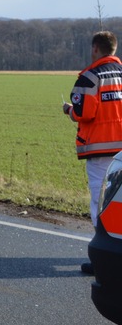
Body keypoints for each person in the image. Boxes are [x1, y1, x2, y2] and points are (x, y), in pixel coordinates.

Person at [65, 30, 122, 275]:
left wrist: (68, 110)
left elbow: (83, 113)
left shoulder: (90, 77)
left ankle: (104, 258)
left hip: (100, 152)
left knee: (101, 203)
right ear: (114, 49)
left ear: (95, 49)